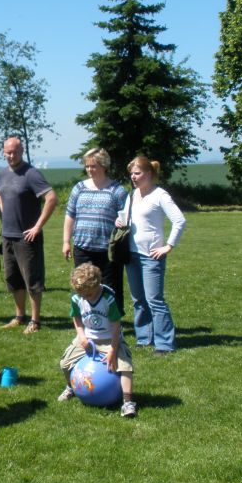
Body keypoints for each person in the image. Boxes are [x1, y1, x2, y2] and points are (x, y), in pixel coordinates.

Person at [116, 156, 186, 355]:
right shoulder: (132, 195)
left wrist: (168, 246)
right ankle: (144, 338)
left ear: (149, 173)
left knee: (154, 300)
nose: (133, 177)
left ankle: (165, 344)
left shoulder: (160, 195)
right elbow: (127, 218)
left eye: (137, 173)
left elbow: (179, 220)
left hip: (151, 256)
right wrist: (119, 222)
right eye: (132, 174)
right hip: (131, 254)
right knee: (138, 299)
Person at [0, 137, 58, 335]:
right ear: (3, 152)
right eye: (8, 152)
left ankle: (35, 320)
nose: (11, 156)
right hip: (8, 235)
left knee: (32, 280)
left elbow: (51, 198)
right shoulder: (2, 174)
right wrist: (4, 208)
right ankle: (19, 316)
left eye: (15, 152)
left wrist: (37, 226)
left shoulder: (31, 174)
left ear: (21, 151)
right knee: (13, 279)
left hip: (27, 237)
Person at [58, 263, 136, 418]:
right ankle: (71, 387)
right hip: (88, 338)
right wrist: (81, 336)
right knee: (65, 363)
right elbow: (76, 318)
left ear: (97, 285)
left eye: (89, 294)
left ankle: (128, 402)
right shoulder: (77, 297)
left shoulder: (108, 297)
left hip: (110, 339)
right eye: (83, 295)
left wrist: (113, 349)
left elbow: (116, 326)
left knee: (125, 367)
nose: (85, 298)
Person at [62, 148, 129, 314]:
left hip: (108, 250)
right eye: (87, 166)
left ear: (104, 166)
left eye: (93, 166)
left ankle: (114, 322)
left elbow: (127, 216)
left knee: (111, 288)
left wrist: (120, 221)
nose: (89, 169)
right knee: (83, 285)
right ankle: (86, 320)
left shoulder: (117, 190)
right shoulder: (79, 188)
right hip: (82, 248)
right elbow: (70, 215)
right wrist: (66, 242)